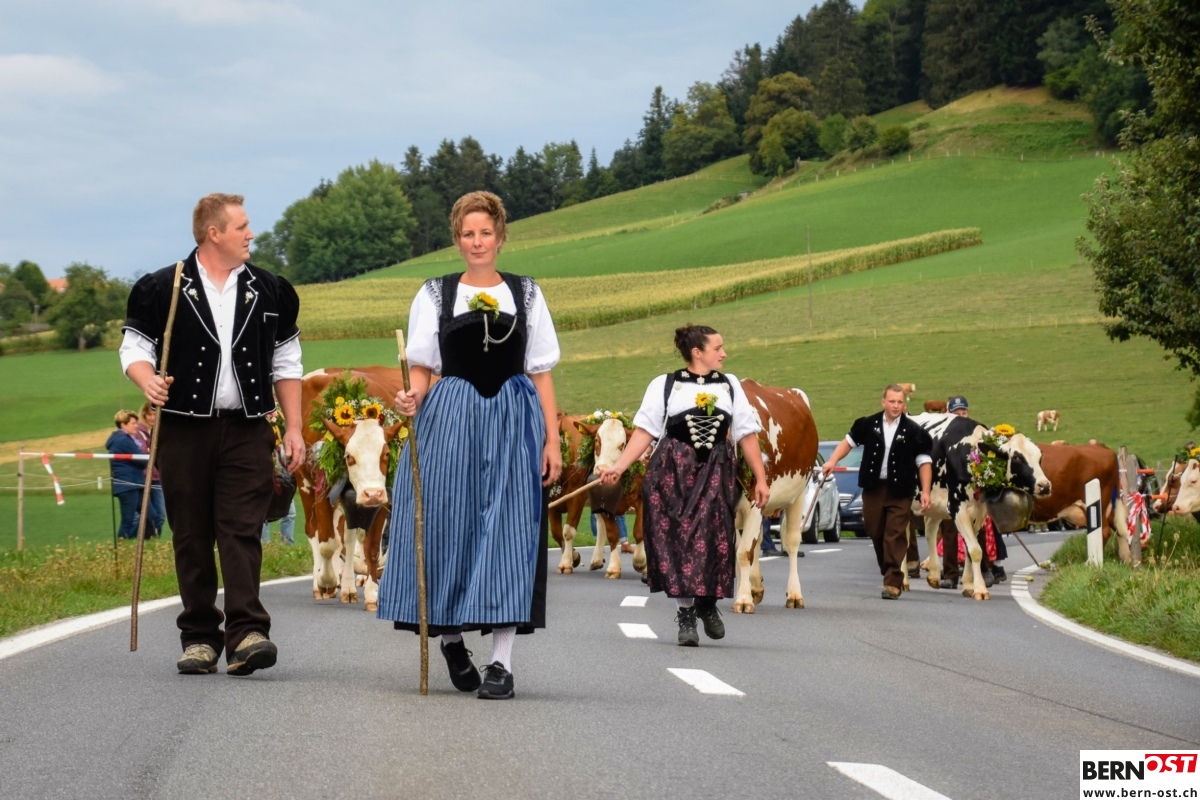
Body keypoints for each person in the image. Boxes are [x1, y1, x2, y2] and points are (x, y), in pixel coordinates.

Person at [376, 191, 561, 700]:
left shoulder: (527, 293)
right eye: (467, 233)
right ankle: (452, 641)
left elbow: (541, 372)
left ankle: (502, 663)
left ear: (500, 237)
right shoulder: (435, 294)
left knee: (510, 531)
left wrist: (552, 440)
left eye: (485, 233)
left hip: (513, 418)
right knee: (445, 524)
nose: (476, 242)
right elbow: (422, 367)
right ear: (457, 240)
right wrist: (412, 397)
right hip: (451, 416)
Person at [121, 193, 304, 677]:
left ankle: (247, 634)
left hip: (247, 427)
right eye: (241, 227)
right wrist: (147, 380)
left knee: (242, 529)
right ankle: (200, 638)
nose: (250, 234)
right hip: (183, 430)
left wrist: (295, 428)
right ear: (213, 233)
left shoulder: (270, 290)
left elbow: (287, 364)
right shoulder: (162, 287)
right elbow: (133, 350)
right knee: (191, 533)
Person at [598, 324, 769, 646]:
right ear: (697, 352)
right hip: (672, 473)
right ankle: (686, 613)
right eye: (717, 348)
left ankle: (707, 603)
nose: (724, 353)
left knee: (715, 538)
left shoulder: (730, 385)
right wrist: (619, 467)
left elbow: (746, 434)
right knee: (678, 542)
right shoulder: (666, 385)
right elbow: (645, 431)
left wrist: (760, 478)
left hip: (716, 472)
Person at [823, 384, 932, 600]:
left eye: (899, 402)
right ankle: (889, 569)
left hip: (901, 491)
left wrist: (926, 491)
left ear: (904, 404)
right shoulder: (868, 424)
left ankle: (892, 581)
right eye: (892, 401)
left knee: (894, 534)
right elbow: (848, 443)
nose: (896, 406)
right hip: (873, 488)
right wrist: (832, 461)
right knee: (875, 530)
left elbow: (924, 462)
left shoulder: (914, 431)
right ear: (883, 402)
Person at [106, 410, 147, 540]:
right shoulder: (123, 440)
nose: (136, 426)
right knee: (128, 519)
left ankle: (143, 541)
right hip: (128, 484)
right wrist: (147, 456)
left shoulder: (123, 438)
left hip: (133, 483)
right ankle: (122, 545)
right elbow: (141, 460)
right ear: (123, 424)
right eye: (133, 423)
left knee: (149, 515)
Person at [133, 402, 167, 538]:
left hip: (158, 477)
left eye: (155, 414)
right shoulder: (139, 432)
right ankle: (146, 540)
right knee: (149, 516)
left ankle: (153, 541)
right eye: (150, 414)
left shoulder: (161, 430)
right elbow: (142, 453)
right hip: (145, 478)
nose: (153, 417)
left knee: (160, 515)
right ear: (144, 415)